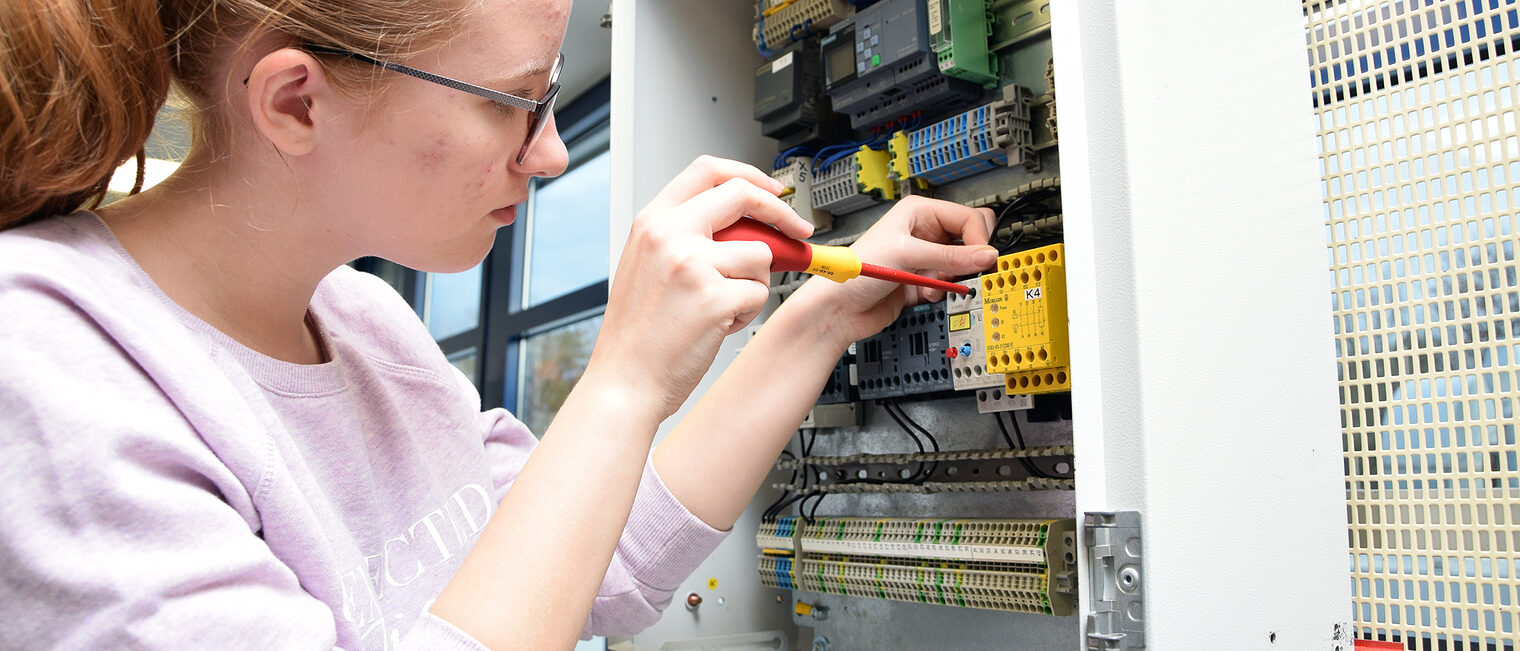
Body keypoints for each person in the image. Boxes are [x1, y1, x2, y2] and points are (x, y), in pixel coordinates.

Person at [0, 0, 998, 648]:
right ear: (296, 102)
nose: (553, 154)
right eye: (516, 104)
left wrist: (819, 318)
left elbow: (575, 563)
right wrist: (621, 378)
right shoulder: (47, 359)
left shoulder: (364, 323)